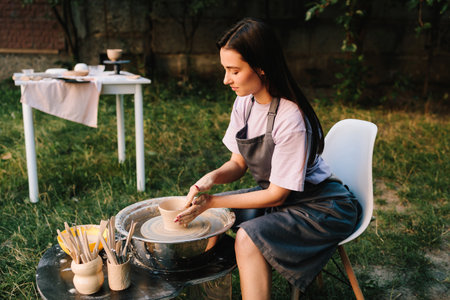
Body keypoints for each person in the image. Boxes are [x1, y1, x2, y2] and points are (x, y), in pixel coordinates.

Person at [174, 17, 361, 299]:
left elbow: (276, 196)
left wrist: (212, 201)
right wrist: (208, 182)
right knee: (216, 218)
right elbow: (238, 164)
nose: (226, 79)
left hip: (322, 206)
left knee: (247, 237)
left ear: (261, 67)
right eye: (225, 70)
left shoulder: (291, 118)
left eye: (233, 71)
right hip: (282, 197)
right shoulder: (244, 103)